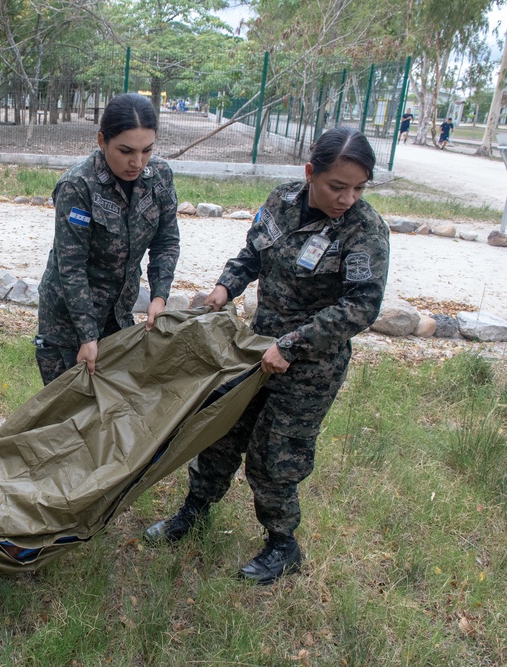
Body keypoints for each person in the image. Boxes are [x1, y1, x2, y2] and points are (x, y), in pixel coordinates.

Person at [143, 127, 390, 585]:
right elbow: (251, 255)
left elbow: (361, 307)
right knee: (218, 431)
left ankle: (282, 545)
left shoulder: (365, 229)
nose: (348, 198)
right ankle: (194, 513)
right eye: (338, 186)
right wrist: (223, 290)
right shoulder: (280, 201)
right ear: (310, 172)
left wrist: (291, 346)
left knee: (275, 456)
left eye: (359, 187)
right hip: (256, 350)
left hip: (310, 365)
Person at [34, 93, 181, 385]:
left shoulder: (160, 177)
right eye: (126, 151)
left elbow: (166, 241)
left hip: (118, 316)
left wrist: (159, 295)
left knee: (111, 412)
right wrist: (87, 336)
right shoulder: (78, 186)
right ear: (102, 141)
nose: (137, 162)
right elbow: (71, 265)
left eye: (147, 150)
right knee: (67, 412)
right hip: (68, 322)